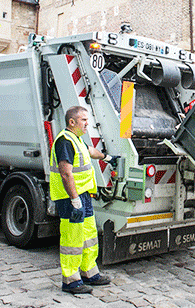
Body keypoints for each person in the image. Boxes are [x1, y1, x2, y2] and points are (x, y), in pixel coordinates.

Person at [49, 105, 119, 294]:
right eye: (84, 120)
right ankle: (70, 281)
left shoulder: (76, 139)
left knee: (88, 236)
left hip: (83, 196)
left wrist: (108, 157)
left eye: (87, 120)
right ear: (72, 122)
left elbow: (90, 151)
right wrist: (74, 200)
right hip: (71, 198)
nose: (88, 124)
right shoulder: (64, 141)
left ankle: (90, 273)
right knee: (72, 239)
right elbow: (66, 174)